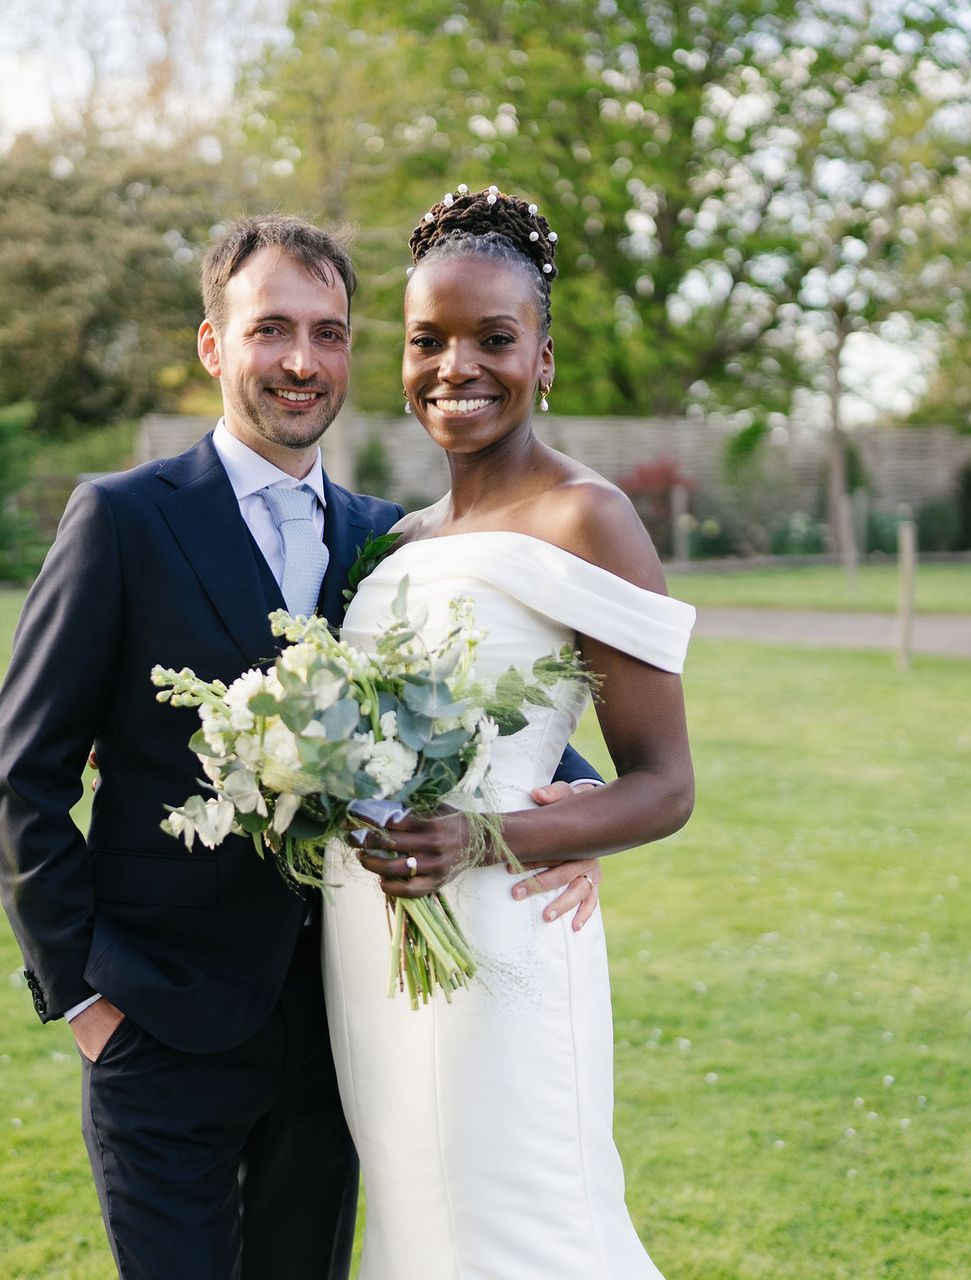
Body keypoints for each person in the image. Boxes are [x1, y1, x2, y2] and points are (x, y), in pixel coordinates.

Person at [0, 214, 607, 1280]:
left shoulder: (387, 541)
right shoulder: (123, 520)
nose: (302, 361)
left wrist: (570, 813)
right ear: (214, 345)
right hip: (159, 1028)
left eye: (329, 332)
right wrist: (86, 1000)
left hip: (338, 1029)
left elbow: (476, 709)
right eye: (272, 328)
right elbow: (25, 778)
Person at [322, 187, 697, 1279]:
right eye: (427, 340)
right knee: (416, 1228)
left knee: (526, 1229)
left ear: (542, 356)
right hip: (369, 947)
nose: (456, 367)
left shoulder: (589, 517)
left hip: (505, 940)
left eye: (493, 339)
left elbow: (666, 784)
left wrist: (484, 837)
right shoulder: (393, 540)